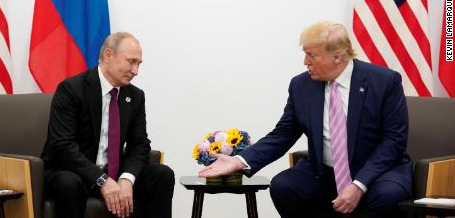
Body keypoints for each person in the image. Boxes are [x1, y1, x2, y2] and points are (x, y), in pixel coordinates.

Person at [199, 21, 412, 218]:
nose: (305, 62)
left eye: (311, 55)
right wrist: (239, 161)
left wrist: (359, 184)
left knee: (387, 195)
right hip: (326, 172)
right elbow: (283, 134)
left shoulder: (384, 81)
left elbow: (394, 141)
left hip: (378, 172)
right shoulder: (301, 86)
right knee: (283, 186)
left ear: (337, 57)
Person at [41, 32, 175, 218]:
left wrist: (126, 179)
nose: (136, 71)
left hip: (112, 172)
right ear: (109, 55)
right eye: (131, 62)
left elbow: (140, 145)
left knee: (161, 174)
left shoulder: (135, 96)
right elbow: (62, 146)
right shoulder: (71, 89)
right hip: (72, 171)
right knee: (69, 182)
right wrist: (102, 180)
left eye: (139, 64)